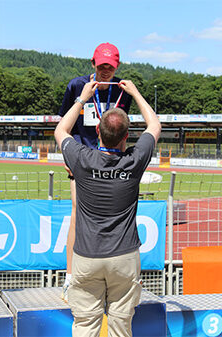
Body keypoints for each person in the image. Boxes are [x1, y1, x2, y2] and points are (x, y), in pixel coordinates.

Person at [55, 79, 161, 336]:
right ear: (127, 136)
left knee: (85, 325)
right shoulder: (134, 160)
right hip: (124, 258)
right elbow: (155, 125)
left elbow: (61, 130)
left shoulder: (82, 158)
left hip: (87, 255)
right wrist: (135, 92)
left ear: (98, 133)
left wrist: (81, 98)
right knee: (120, 326)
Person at [58, 43, 132, 301]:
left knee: (114, 215)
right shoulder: (76, 86)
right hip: (82, 158)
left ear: (116, 67)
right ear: (92, 63)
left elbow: (119, 127)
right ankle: (70, 278)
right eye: (101, 66)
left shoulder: (124, 90)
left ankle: (112, 278)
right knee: (78, 211)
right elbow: (64, 122)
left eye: (109, 67)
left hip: (110, 160)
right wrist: (67, 154)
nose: (104, 71)